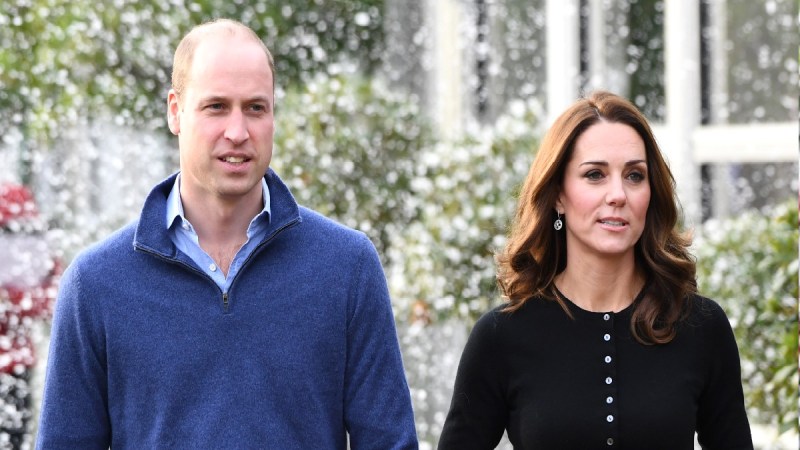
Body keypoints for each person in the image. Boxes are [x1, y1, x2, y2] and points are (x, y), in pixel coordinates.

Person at [36, 18, 417, 449]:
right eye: (216, 106)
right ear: (175, 111)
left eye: (256, 107)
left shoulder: (347, 266)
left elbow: (390, 443)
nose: (238, 132)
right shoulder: (96, 283)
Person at [438, 91, 753, 449]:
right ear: (558, 194)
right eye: (594, 175)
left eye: (634, 175)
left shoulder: (701, 326)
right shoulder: (501, 336)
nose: (618, 194)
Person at [0, 184, 60, 449]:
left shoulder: (14, 201)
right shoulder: (17, 202)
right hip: (15, 366)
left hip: (13, 367)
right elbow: (50, 296)